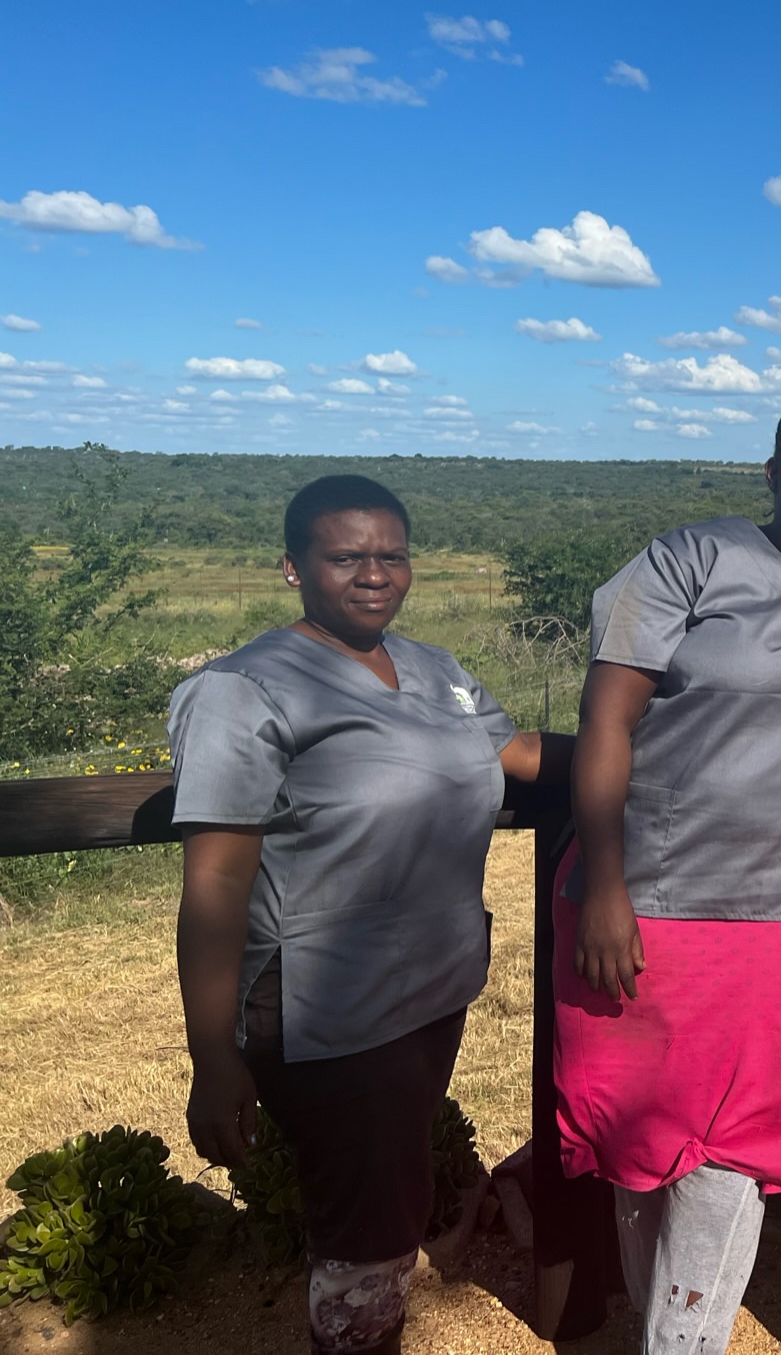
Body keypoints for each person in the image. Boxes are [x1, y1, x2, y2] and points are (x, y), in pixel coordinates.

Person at [555, 377, 781, 1355]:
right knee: (638, 1152)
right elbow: (606, 721)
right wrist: (607, 888)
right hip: (653, 906)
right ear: (773, 470)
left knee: (731, 1158)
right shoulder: (690, 558)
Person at [172, 474, 570, 1355]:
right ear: (293, 567)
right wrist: (212, 1056)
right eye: (346, 556)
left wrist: (647, 746)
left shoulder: (432, 669)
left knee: (387, 1203)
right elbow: (216, 884)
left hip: (430, 987)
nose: (374, 574)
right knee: (367, 1228)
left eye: (392, 555)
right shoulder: (244, 691)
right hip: (329, 1007)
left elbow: (514, 752)